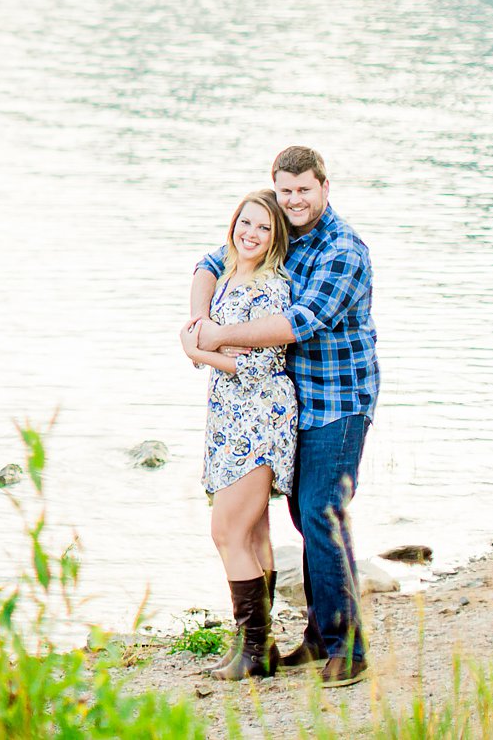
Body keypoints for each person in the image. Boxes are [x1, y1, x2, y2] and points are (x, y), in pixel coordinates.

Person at [189, 146, 379, 688]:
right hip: (290, 399)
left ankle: (350, 648)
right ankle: (317, 637)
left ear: (325, 187)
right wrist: (200, 317)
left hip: (339, 401)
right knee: (302, 516)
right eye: (286, 190)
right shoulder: (281, 229)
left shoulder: (344, 249)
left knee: (321, 512)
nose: (295, 200)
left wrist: (215, 339)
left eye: (304, 190)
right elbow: (211, 260)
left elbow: (300, 321)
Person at [179, 190, 297, 680]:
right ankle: (259, 648)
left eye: (263, 228)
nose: (250, 233)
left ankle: (253, 648)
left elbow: (263, 366)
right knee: (253, 531)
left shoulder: (269, 287)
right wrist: (202, 336)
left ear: (275, 239)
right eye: (244, 223)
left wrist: (201, 349)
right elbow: (203, 271)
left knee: (226, 530)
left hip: (259, 417)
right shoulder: (231, 274)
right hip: (231, 418)